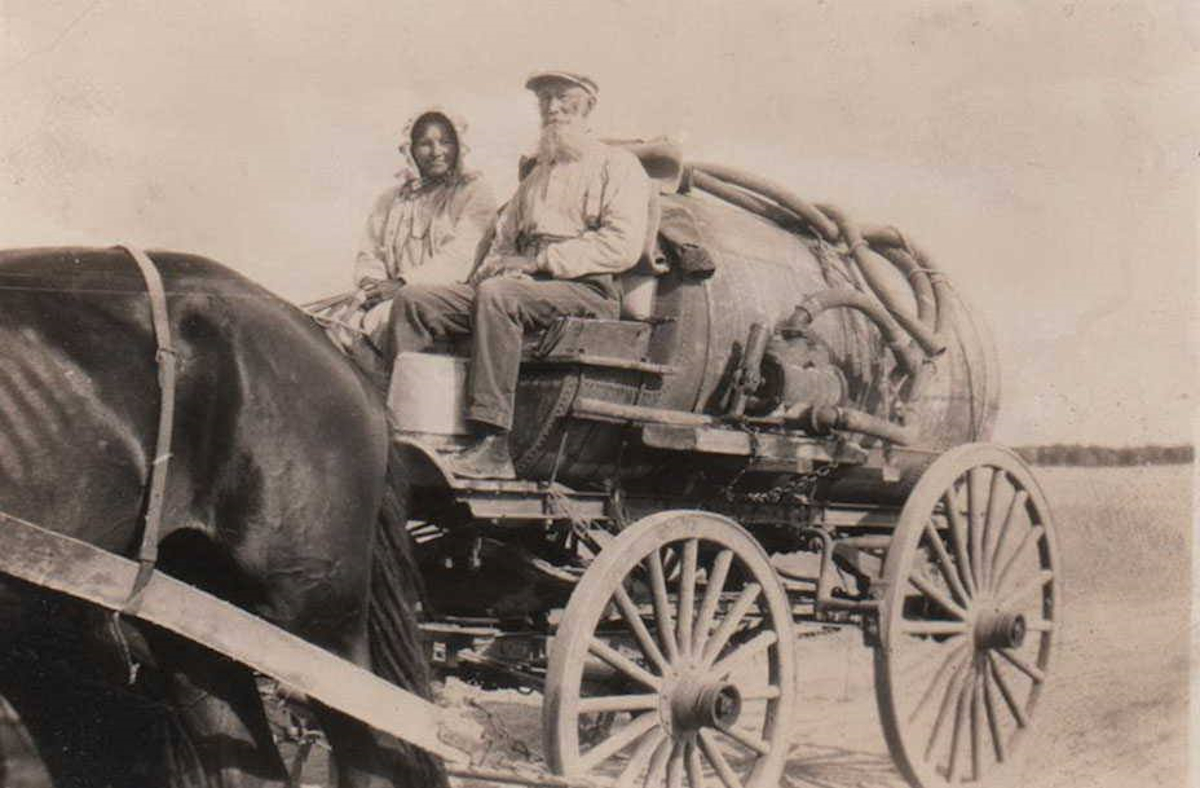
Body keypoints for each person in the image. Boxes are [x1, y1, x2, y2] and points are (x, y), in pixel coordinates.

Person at [390, 71, 652, 479]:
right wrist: (499, 265)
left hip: (587, 289)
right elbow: (502, 241)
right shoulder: (536, 175)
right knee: (416, 301)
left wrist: (541, 262)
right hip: (523, 286)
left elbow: (621, 244)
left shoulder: (617, 166)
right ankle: (409, 426)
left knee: (499, 295)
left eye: (563, 98)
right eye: (544, 99)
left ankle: (493, 443)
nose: (552, 108)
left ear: (588, 106)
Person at [349, 109, 496, 354]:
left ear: (459, 145)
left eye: (445, 142)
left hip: (445, 297)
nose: (436, 151)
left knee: (383, 320)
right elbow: (371, 251)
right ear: (411, 149)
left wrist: (403, 284)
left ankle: (394, 390)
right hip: (389, 294)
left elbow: (460, 258)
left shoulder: (474, 191)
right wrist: (371, 284)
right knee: (339, 325)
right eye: (425, 144)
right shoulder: (391, 199)